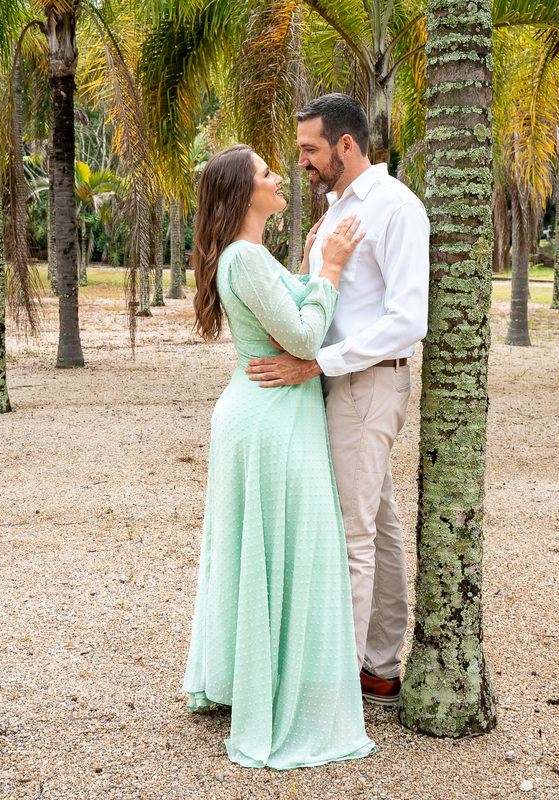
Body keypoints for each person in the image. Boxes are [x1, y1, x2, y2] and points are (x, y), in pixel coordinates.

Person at [182, 144, 376, 770]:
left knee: (259, 547)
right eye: (267, 173)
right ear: (244, 194)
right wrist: (336, 271)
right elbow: (301, 334)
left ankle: (251, 677)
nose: (280, 176)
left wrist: (317, 257)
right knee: (287, 545)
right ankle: (276, 692)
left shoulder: (247, 258)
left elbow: (287, 297)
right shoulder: (245, 259)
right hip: (270, 418)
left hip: (260, 411)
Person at [245, 94, 430, 707]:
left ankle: (335, 695)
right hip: (335, 381)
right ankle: (378, 667)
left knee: (352, 534)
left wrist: (317, 363)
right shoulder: (332, 214)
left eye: (310, 149)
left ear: (346, 145)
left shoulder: (396, 208)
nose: (301, 161)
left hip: (368, 383)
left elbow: (408, 319)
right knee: (376, 521)